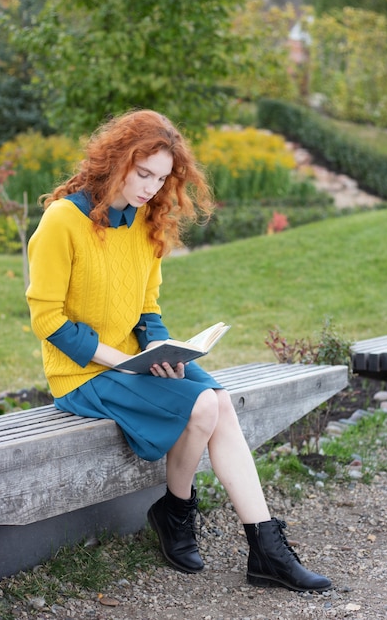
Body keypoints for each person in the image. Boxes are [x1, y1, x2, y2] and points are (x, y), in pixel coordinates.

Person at [26, 109, 331, 593]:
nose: (150, 187)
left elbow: (148, 307)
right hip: (82, 375)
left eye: (161, 178)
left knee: (220, 402)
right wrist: (121, 361)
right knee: (203, 404)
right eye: (143, 173)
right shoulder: (63, 221)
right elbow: (46, 319)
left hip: (131, 363)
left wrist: (159, 350)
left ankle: (265, 546)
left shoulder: (147, 221)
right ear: (115, 161)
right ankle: (176, 508)